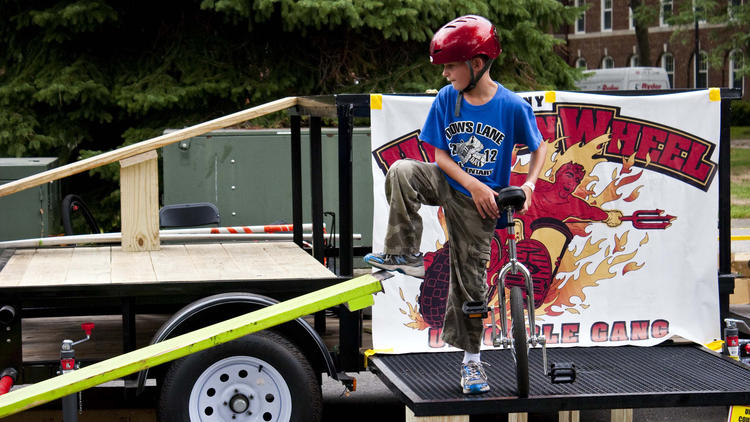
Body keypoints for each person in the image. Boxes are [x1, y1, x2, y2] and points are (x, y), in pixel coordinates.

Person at [365, 15, 548, 394]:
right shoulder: (448, 99)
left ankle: (472, 364)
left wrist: (529, 184)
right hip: (450, 183)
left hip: (481, 207)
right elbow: (440, 155)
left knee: (470, 283)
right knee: (401, 170)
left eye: (450, 65)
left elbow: (539, 146)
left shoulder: (511, 106)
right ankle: (403, 254)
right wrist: (473, 184)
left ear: (476, 64)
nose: (445, 74)